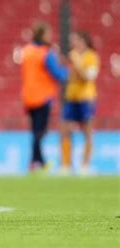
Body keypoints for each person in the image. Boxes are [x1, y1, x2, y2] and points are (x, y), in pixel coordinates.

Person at [20, 21, 68, 172]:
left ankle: (38, 162)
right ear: (42, 34)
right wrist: (69, 72)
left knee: (35, 131)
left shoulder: (26, 51)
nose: (50, 36)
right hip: (43, 97)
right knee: (39, 132)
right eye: (48, 33)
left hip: (29, 96)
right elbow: (57, 74)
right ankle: (36, 162)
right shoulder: (46, 53)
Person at [60, 31, 100, 176]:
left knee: (87, 131)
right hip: (71, 97)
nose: (72, 43)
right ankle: (65, 165)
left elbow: (88, 77)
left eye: (75, 40)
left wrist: (76, 64)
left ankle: (85, 166)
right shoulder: (72, 55)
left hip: (86, 98)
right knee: (64, 130)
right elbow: (64, 74)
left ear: (82, 40)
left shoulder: (91, 56)